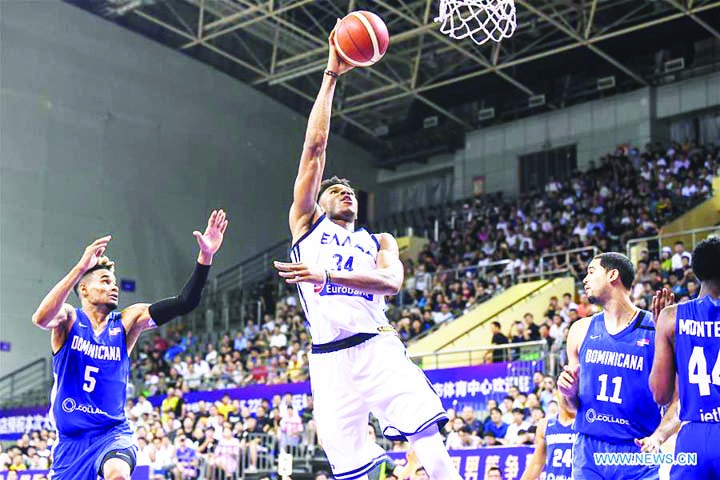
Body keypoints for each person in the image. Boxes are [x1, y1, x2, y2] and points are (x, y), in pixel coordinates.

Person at [273, 25, 461, 480]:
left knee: (426, 438)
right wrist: (331, 75)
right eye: (336, 190)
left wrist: (328, 278)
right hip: (327, 359)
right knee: (354, 468)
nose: (346, 194)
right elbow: (314, 148)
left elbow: (392, 283)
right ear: (320, 201)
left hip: (377, 345)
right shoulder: (306, 225)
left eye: (351, 191)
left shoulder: (378, 242)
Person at [32, 210, 228, 480]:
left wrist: (206, 257)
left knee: (118, 475)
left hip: (112, 434)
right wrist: (79, 268)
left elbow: (185, 302)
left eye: (114, 283)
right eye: (105, 281)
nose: (114, 287)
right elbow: (41, 318)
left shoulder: (127, 321)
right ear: (84, 289)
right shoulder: (69, 319)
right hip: (71, 442)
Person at [558, 253, 679, 479]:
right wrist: (568, 392)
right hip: (588, 451)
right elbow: (572, 407)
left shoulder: (655, 328)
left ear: (613, 274)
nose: (585, 279)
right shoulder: (579, 330)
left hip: (638, 452)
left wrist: (659, 436)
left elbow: (678, 400)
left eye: (591, 272)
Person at [650, 237, 720, 479]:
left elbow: (661, 394)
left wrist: (666, 339)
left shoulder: (669, 318)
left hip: (693, 437)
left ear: (696, 273)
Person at [520, 394, 576, 480]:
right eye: (566, 390)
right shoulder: (544, 424)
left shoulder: (587, 424)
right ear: (558, 393)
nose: (569, 396)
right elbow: (537, 463)